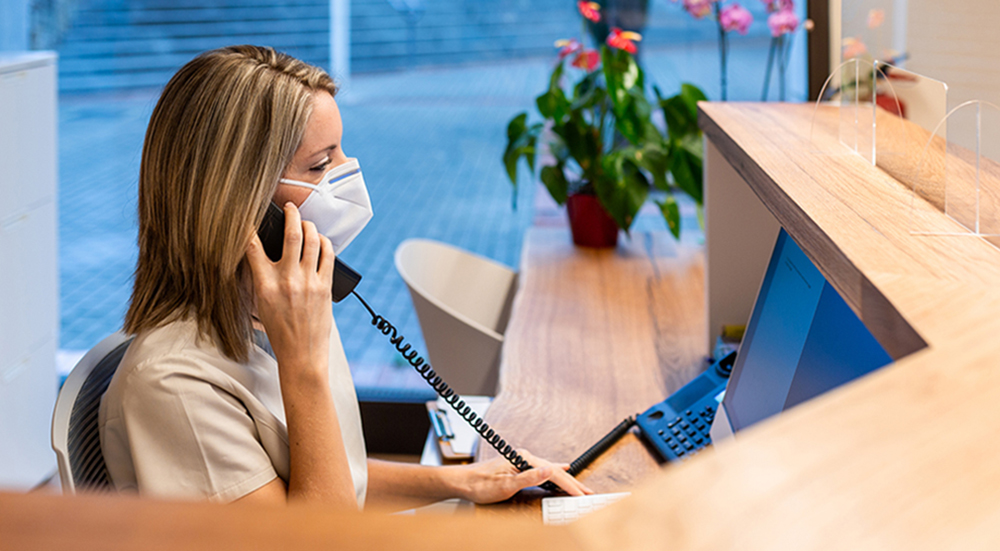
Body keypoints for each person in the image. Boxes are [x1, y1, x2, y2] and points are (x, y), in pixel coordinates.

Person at [98, 45, 591, 509]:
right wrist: (302, 364)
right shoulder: (173, 386)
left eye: (339, 151)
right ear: (239, 204)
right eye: (320, 163)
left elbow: (322, 473)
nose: (347, 171)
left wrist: (460, 480)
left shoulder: (288, 306)